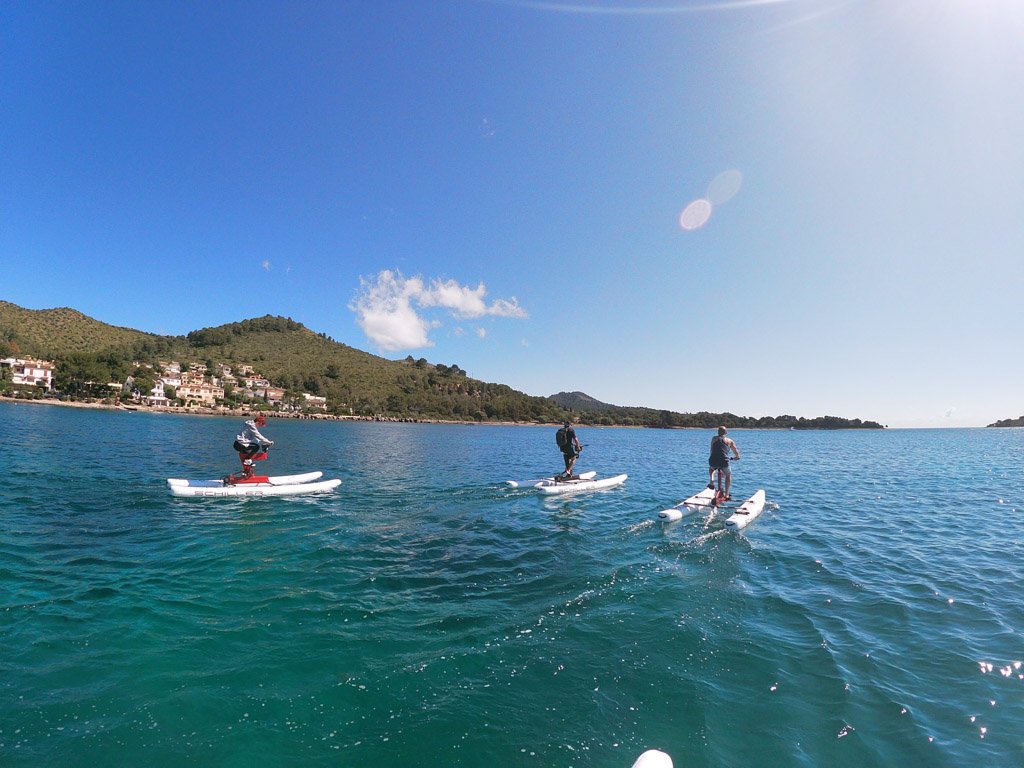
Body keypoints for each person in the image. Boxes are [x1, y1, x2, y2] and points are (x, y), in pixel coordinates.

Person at [708, 426, 740, 500]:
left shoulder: (714, 438)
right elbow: (735, 451)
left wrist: (711, 458)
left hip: (713, 461)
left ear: (718, 432)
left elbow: (711, 450)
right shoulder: (729, 441)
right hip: (724, 461)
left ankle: (711, 482)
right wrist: (737, 457)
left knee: (711, 469)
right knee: (728, 475)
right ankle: (726, 494)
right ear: (726, 433)